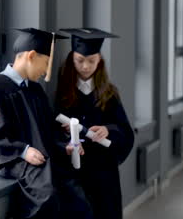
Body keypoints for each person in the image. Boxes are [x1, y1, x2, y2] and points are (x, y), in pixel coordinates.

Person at [0, 28, 93, 219]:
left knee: (78, 198)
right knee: (47, 196)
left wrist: (66, 147)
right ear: (31, 56)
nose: (46, 71)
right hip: (17, 162)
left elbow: (48, 131)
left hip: (42, 161)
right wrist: (23, 151)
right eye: (46, 63)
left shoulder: (36, 90)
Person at [55, 28, 135, 219]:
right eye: (80, 61)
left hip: (103, 171)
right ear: (71, 59)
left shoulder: (109, 93)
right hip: (75, 171)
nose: (85, 66)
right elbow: (52, 133)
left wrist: (107, 130)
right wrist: (67, 137)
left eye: (91, 61)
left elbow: (125, 131)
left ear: (99, 60)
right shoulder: (63, 93)